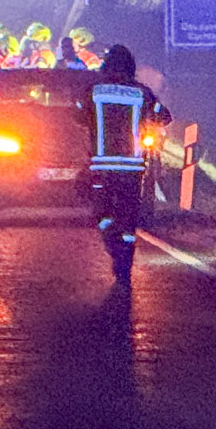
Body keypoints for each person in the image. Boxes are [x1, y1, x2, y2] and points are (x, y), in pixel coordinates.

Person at [83, 43, 170, 281]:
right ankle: (126, 259)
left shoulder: (94, 90)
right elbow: (165, 116)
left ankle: (112, 240)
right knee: (129, 214)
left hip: (102, 165)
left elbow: (79, 116)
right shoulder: (142, 92)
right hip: (132, 167)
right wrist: (146, 124)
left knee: (102, 211)